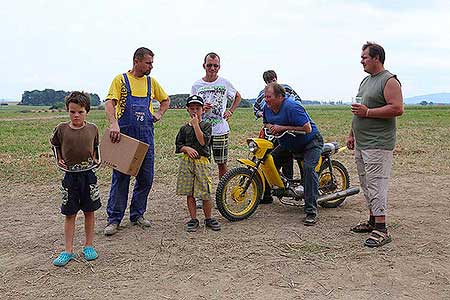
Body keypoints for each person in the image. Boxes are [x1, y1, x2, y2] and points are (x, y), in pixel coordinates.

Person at [104, 47, 170, 236]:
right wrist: (114, 124)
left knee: (146, 178)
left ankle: (137, 214)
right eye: (148, 62)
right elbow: (110, 103)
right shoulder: (121, 80)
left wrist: (158, 113)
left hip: (146, 137)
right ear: (136, 61)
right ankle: (114, 219)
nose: (151, 66)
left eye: (152, 63)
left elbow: (165, 100)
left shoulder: (151, 82)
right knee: (121, 179)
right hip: (125, 136)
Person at [347, 42, 403, 247]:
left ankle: (382, 229)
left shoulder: (389, 81)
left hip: (378, 143)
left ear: (377, 57)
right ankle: (372, 220)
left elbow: (397, 108)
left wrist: (368, 113)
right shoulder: (366, 80)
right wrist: (352, 134)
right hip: (363, 142)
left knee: (376, 183)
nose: (361, 60)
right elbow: (359, 109)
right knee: (366, 183)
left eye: (364, 57)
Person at [50, 91, 101, 266]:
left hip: (89, 176)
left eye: (80, 112)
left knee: (89, 211)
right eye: (72, 112)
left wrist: (96, 159)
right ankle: (68, 250)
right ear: (68, 111)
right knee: (70, 213)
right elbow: (55, 145)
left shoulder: (93, 128)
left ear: (87, 111)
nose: (76, 115)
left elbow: (95, 147)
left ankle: (88, 246)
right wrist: (59, 159)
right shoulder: (61, 129)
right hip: (70, 177)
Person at [263, 83, 323, 226]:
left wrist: (282, 127)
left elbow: (307, 128)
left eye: (269, 97)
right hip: (289, 144)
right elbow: (265, 123)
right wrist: (270, 127)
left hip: (310, 143)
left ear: (280, 97)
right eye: (265, 97)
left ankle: (311, 211)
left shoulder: (292, 106)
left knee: (309, 169)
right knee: (269, 161)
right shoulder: (267, 107)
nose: (266, 100)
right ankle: (271, 193)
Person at [191, 52, 241, 209]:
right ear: (204, 65)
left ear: (219, 67)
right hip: (203, 131)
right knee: (202, 164)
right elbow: (191, 108)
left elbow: (237, 96)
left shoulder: (225, 83)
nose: (212, 68)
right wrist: (201, 110)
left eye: (215, 65)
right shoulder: (197, 85)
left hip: (220, 130)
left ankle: (222, 194)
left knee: (221, 164)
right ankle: (201, 196)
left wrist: (230, 111)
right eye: (209, 65)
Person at [254, 70, 303, 203]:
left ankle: (290, 189)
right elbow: (256, 109)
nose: (271, 82)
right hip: (270, 133)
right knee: (266, 160)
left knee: (288, 160)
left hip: (287, 131)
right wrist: (264, 115)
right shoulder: (262, 94)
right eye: (268, 81)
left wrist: (285, 115)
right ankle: (267, 194)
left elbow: (298, 102)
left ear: (276, 78)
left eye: (273, 80)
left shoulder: (286, 89)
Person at [175, 95, 221, 232]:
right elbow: (179, 145)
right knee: (189, 192)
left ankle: (208, 218)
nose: (195, 111)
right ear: (188, 110)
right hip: (187, 162)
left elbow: (203, 142)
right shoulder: (183, 129)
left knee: (205, 191)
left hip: (202, 162)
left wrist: (196, 125)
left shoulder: (206, 126)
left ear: (203, 110)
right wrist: (186, 148)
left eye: (198, 108)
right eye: (192, 108)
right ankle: (193, 219)